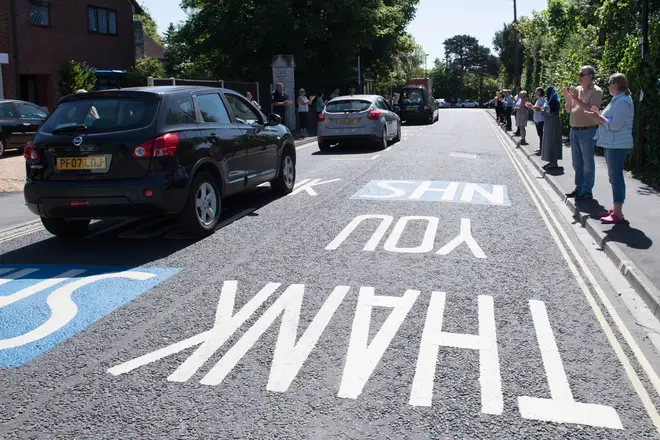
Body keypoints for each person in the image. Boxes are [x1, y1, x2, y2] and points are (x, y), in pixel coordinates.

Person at [571, 73, 634, 224]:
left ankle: (618, 214)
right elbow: (610, 120)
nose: (608, 87)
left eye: (609, 84)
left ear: (616, 85)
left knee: (616, 178)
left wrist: (598, 118)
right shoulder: (618, 100)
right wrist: (597, 115)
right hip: (612, 143)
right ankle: (616, 209)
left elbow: (615, 125)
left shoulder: (623, 101)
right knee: (614, 177)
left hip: (617, 144)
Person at [562, 66, 603, 200]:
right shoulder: (577, 90)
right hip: (574, 130)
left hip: (588, 130)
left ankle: (586, 191)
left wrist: (576, 99)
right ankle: (579, 188)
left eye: (581, 74)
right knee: (576, 163)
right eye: (578, 74)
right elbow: (568, 110)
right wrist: (568, 99)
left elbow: (592, 109)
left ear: (590, 76)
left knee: (587, 163)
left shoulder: (596, 91)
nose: (579, 77)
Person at [529, 86, 562, 169]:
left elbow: (552, 113)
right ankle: (551, 161)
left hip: (553, 123)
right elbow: (544, 109)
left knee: (553, 142)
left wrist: (541, 111)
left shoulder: (554, 101)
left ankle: (554, 162)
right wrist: (539, 109)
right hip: (548, 123)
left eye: (548, 92)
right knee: (548, 141)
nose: (546, 93)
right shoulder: (548, 100)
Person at [532, 87, 546, 154]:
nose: (535, 93)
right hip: (538, 120)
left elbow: (538, 109)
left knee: (541, 135)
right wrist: (530, 106)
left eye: (536, 91)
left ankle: (542, 150)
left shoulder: (541, 99)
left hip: (540, 120)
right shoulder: (539, 99)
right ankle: (541, 148)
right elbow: (535, 109)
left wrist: (531, 106)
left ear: (540, 92)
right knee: (540, 134)